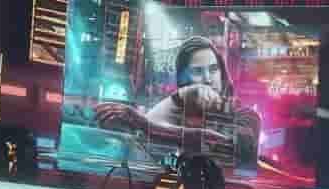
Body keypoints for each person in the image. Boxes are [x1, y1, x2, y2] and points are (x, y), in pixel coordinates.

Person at [95, 35, 261, 168]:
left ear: (222, 73)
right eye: (197, 71)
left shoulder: (247, 116)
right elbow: (142, 151)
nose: (208, 79)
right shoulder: (179, 118)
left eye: (213, 69)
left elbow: (225, 145)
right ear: (184, 79)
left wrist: (144, 124)